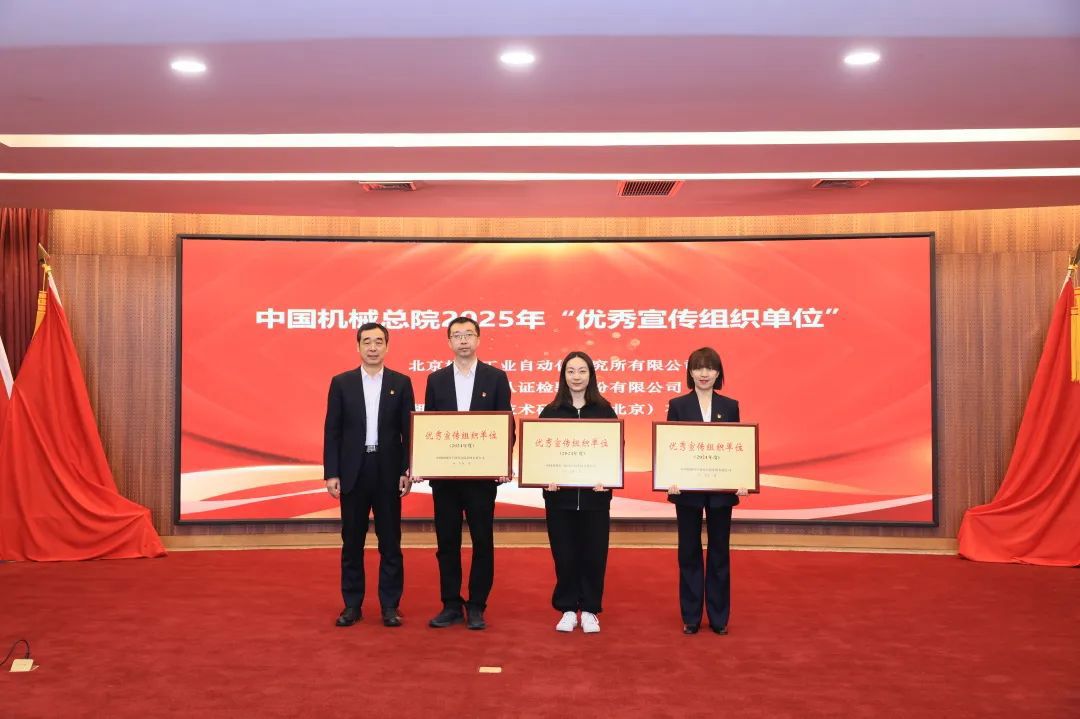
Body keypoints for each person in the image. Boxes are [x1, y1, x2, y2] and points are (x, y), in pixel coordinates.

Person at [417, 316, 512, 630]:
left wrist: (502, 463)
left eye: (468, 334)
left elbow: (506, 423)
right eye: (457, 335)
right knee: (447, 542)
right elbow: (429, 427)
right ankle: (450, 604)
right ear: (449, 342)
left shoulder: (495, 378)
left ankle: (477, 605)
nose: (463, 340)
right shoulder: (436, 379)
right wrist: (423, 462)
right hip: (445, 478)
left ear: (478, 339)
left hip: (481, 478)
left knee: (482, 541)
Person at [323, 322, 415, 628]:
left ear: (387, 346)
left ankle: (390, 605)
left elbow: (408, 431)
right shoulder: (342, 382)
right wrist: (332, 472)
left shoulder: (401, 383)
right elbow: (332, 431)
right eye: (367, 342)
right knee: (352, 541)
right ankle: (352, 605)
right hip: (353, 470)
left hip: (387, 470)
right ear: (358, 346)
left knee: (390, 542)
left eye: (378, 342)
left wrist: (406, 470)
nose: (373, 347)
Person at [666, 346, 748, 636]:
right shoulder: (678, 405)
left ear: (718, 373)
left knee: (719, 553)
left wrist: (741, 479)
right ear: (689, 372)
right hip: (687, 491)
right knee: (688, 552)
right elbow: (670, 448)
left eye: (710, 368)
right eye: (698, 367)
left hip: (720, 493)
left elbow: (737, 448)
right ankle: (691, 616)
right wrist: (669, 478)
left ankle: (718, 617)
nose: (704, 373)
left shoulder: (731, 406)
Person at [538, 351, 617, 634]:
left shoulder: (604, 410)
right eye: (570, 371)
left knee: (594, 555)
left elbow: (615, 451)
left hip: (596, 498)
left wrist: (608, 477)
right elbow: (540, 453)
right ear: (563, 376)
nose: (576, 377)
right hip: (560, 499)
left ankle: (591, 609)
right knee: (565, 555)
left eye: (582, 371)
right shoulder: (551, 412)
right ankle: (568, 609)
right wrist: (544, 477)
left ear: (591, 374)